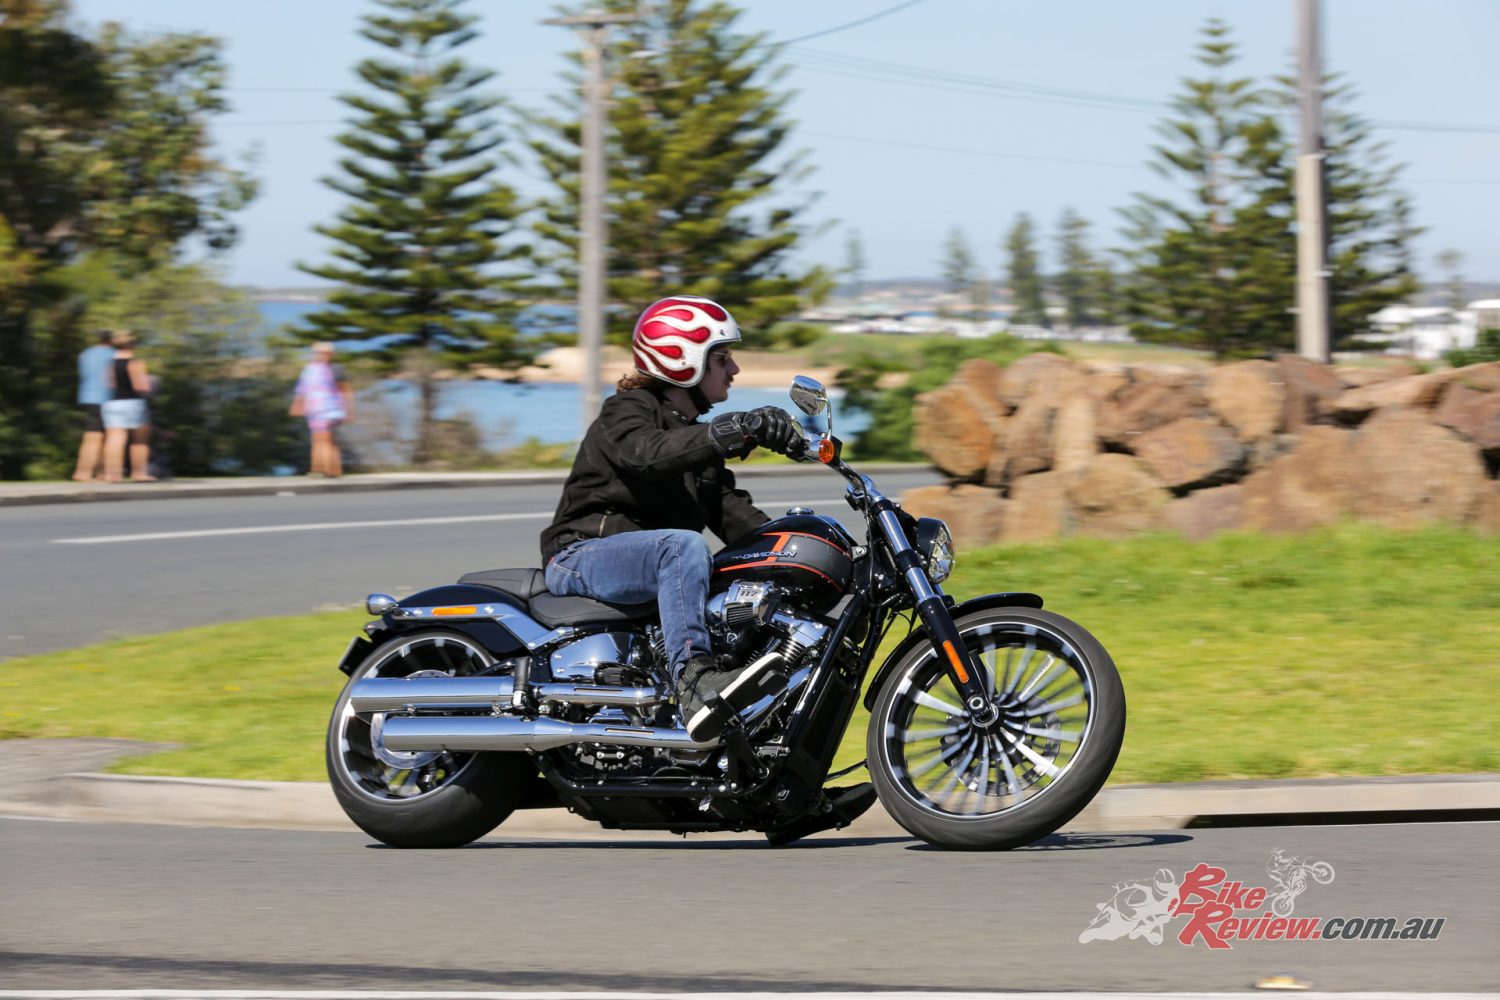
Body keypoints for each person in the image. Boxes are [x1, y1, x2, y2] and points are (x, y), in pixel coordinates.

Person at [541, 295, 807, 741]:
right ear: (681, 360)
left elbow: (740, 520)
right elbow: (646, 455)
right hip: (579, 554)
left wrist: (805, 548)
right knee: (682, 545)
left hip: (647, 562)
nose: (735, 370)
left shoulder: (698, 449)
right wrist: (737, 427)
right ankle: (696, 683)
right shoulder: (626, 411)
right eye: (723, 359)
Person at [290, 342, 354, 477]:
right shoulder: (309, 369)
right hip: (314, 409)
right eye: (319, 353)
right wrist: (297, 404)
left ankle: (323, 469)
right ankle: (329, 469)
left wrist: (349, 410)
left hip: (330, 408)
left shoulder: (335, 369)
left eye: (325, 353)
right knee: (321, 439)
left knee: (323, 438)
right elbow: (302, 389)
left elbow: (345, 391)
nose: (322, 355)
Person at [100, 330, 155, 483]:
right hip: (132, 402)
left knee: (114, 439)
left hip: (113, 403)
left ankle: (111, 474)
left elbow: (109, 383)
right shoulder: (135, 362)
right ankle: (139, 473)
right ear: (131, 344)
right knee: (139, 441)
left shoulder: (109, 363)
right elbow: (140, 385)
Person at [72, 331, 116, 481]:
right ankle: (86, 472)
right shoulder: (113, 354)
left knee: (94, 434)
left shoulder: (85, 354)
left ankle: (96, 471)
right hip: (107, 397)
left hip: (88, 395)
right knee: (101, 436)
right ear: (111, 340)